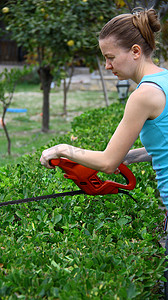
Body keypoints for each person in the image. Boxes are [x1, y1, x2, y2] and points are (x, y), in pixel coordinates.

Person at [40, 8, 168, 209]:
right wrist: (125, 157)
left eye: (111, 57)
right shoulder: (164, 80)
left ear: (136, 51)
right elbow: (163, 148)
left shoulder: (144, 95)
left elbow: (107, 163)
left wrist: (62, 149)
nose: (107, 66)